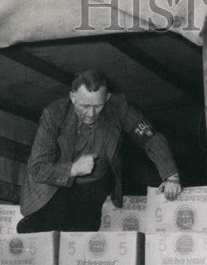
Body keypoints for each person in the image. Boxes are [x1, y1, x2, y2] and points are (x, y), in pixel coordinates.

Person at [18, 69, 182, 233]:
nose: (91, 114)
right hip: (56, 186)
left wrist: (171, 176)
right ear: (73, 97)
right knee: (48, 225)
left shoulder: (118, 106)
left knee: (84, 234)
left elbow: (149, 137)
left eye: (98, 106)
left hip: (93, 187)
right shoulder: (53, 114)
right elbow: (38, 169)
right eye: (84, 106)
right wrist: (73, 169)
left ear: (108, 98)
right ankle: (32, 223)